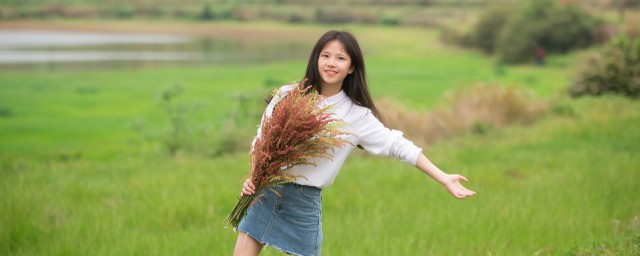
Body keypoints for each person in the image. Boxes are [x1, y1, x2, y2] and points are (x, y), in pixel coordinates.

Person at [233, 30, 476, 256]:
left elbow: (397, 145)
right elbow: (262, 139)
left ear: (351, 67)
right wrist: (255, 175)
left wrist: (443, 177)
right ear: (315, 59)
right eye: (325, 55)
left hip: (304, 205)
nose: (331, 63)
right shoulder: (288, 95)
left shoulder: (356, 115)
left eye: (340, 58)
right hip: (267, 193)